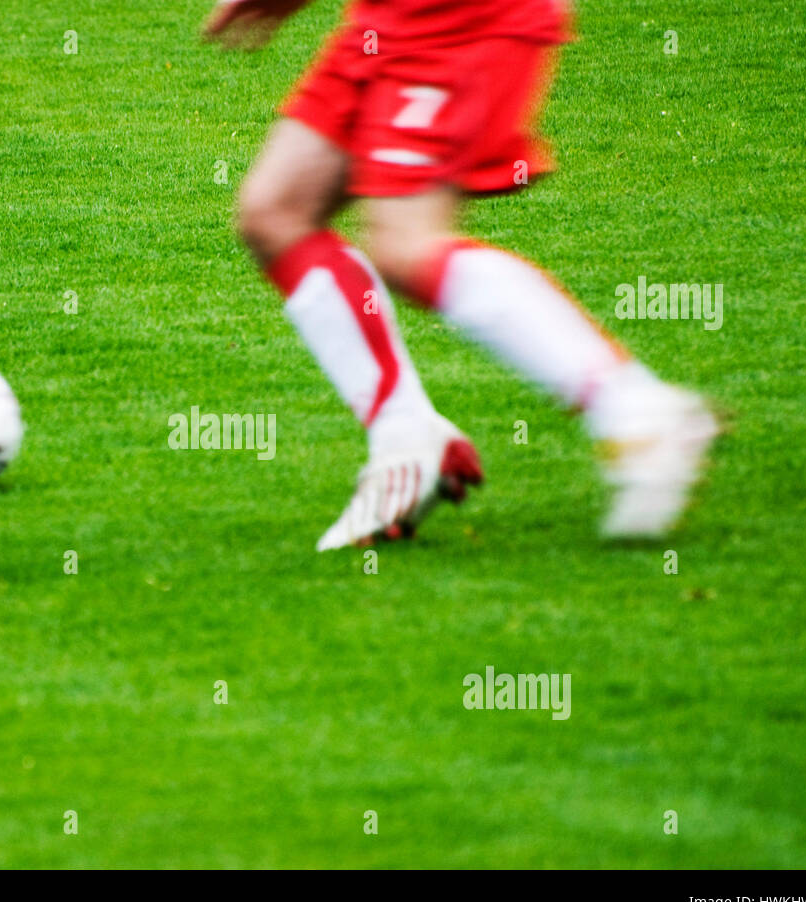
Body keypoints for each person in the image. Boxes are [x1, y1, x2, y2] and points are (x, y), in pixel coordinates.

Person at [203, 0, 718, 550]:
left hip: (462, 14)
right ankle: (406, 436)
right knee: (275, 211)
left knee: (405, 244)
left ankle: (637, 412)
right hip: (392, 16)